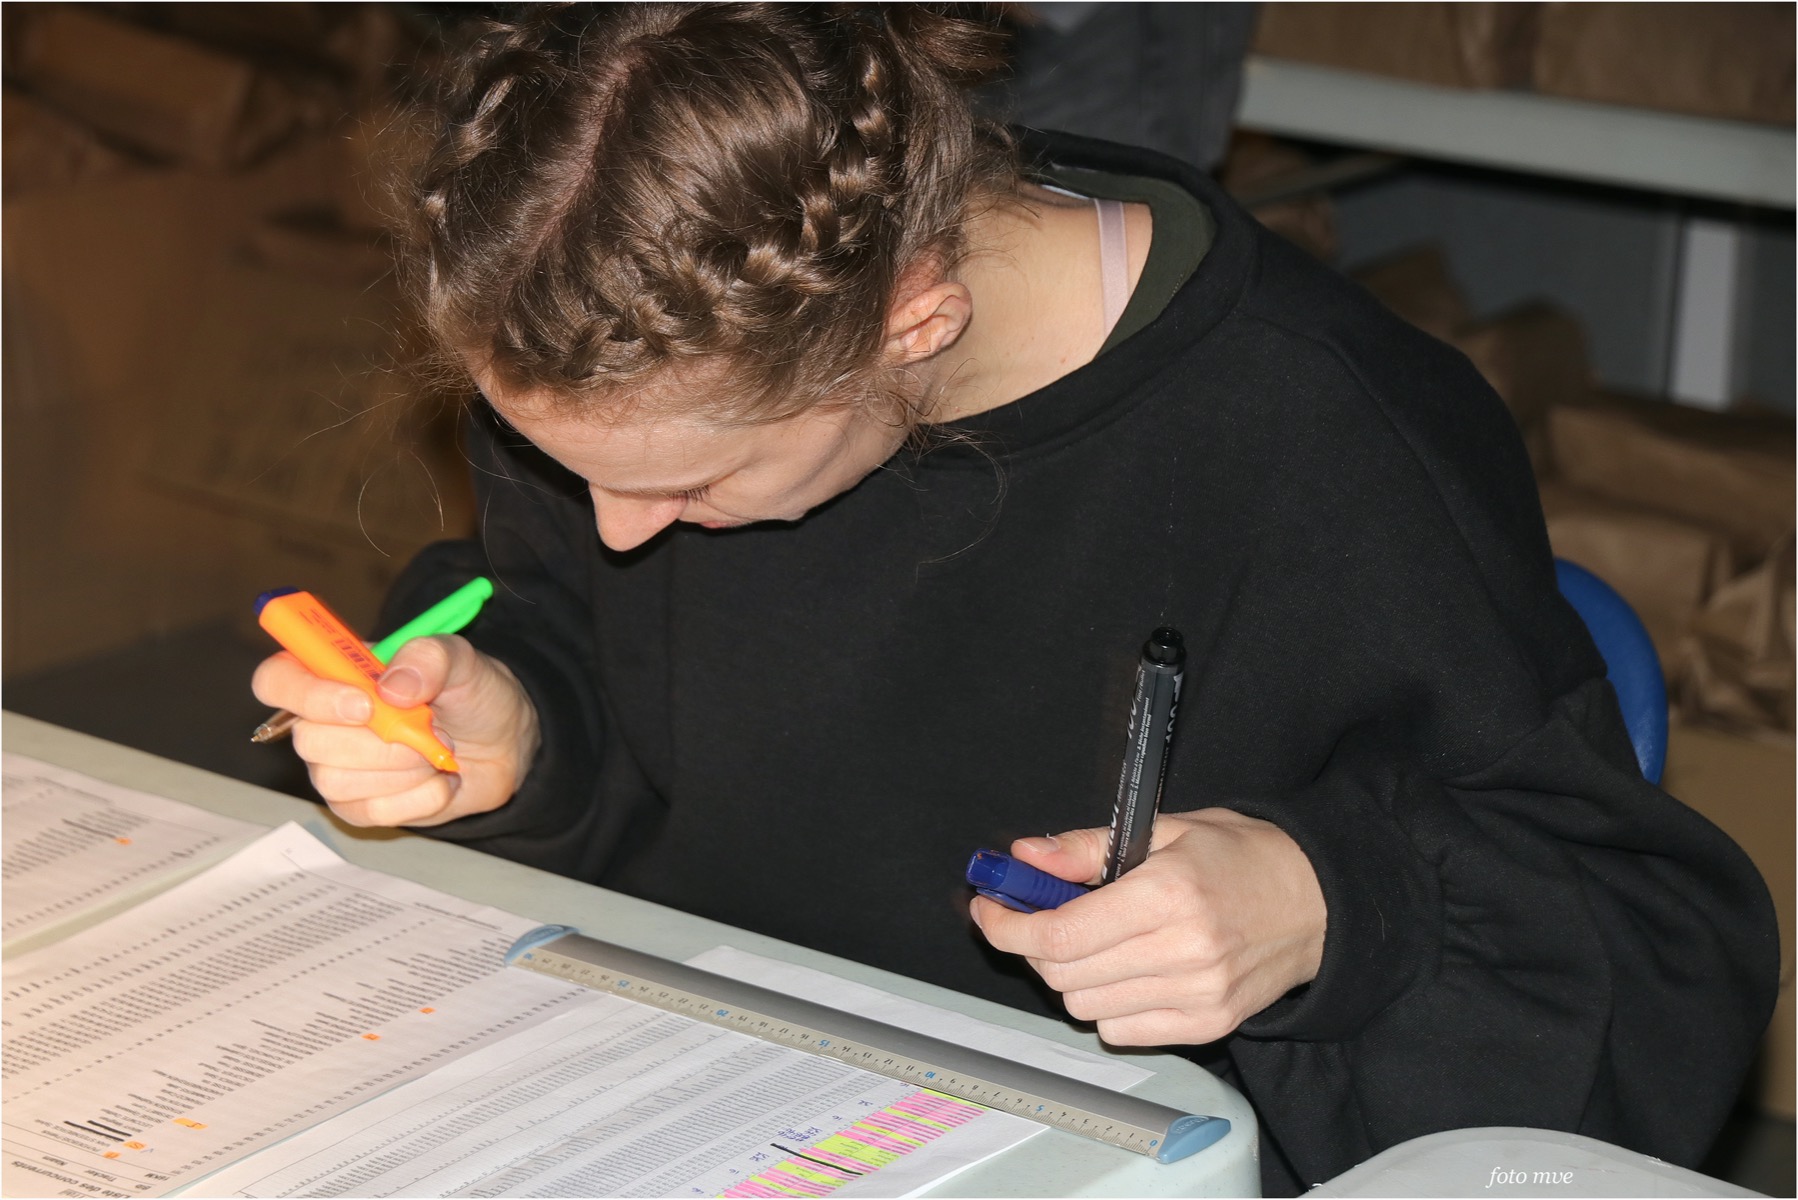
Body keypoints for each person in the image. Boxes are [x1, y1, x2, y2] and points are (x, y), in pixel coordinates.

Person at [252, 5, 1777, 1193]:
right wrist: (517, 722)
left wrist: (1321, 905)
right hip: (678, 1094)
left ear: (915, 323)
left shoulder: (1328, 435)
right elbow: (585, 642)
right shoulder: (640, 341)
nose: (618, 529)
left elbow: (1642, 957)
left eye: (694, 482)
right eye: (553, 461)